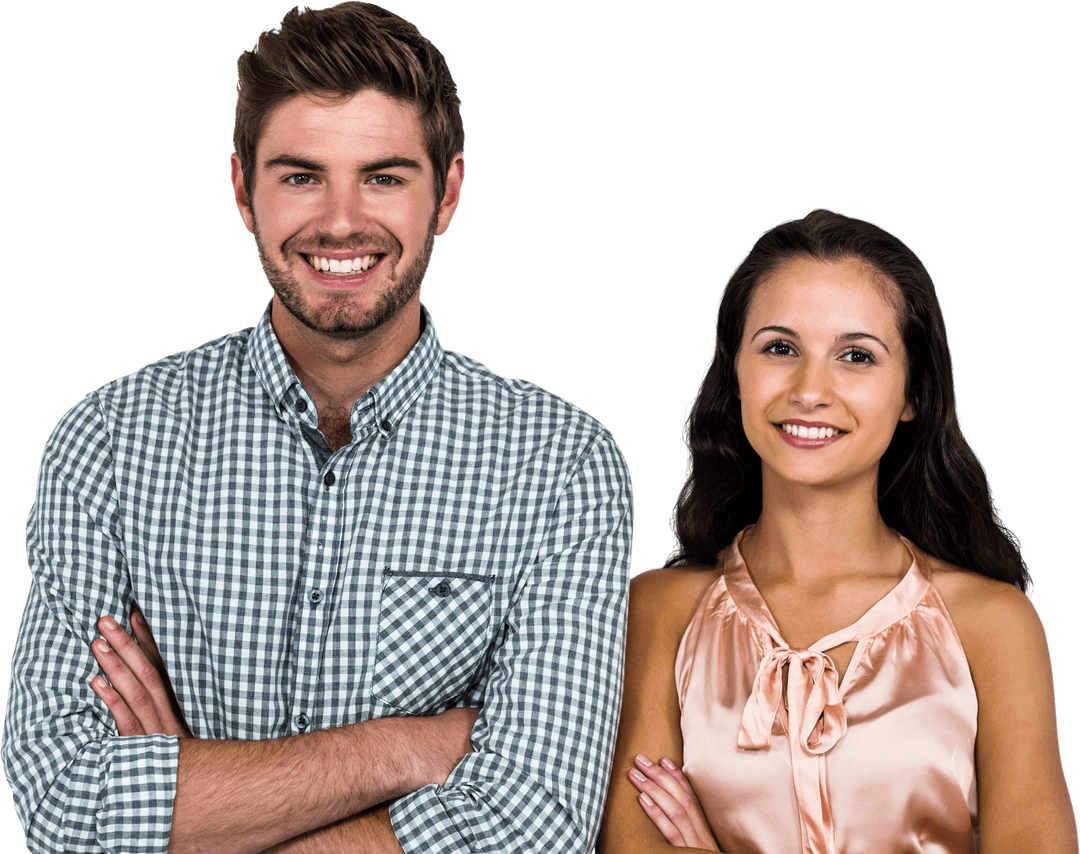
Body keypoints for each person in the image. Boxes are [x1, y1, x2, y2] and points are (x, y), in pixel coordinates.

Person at [2, 4, 632, 853]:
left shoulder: (562, 464)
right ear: (241, 191)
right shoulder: (108, 442)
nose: (341, 221)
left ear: (446, 194)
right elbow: (60, 802)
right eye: (301, 176)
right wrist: (406, 746)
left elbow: (532, 822)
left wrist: (190, 803)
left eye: (384, 176)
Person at [598, 209, 1077, 854]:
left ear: (912, 394)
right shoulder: (656, 612)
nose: (810, 390)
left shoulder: (993, 625)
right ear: (734, 374)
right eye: (780, 348)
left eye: (856, 356)